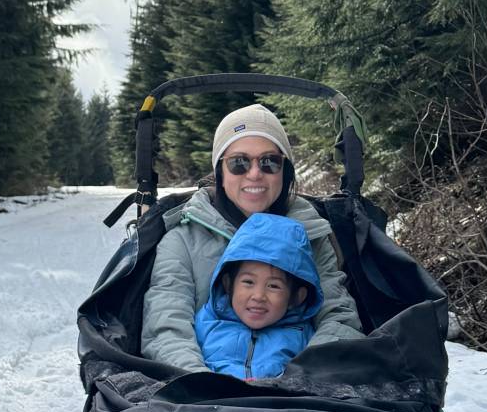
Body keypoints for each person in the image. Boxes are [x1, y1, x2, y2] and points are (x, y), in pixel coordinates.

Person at [141, 101, 364, 371]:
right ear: (220, 172)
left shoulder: (311, 234)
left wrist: (302, 381)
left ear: (286, 171)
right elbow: (166, 328)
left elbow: (338, 318)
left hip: (295, 394)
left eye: (270, 162)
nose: (255, 173)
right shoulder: (183, 241)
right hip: (203, 393)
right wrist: (203, 387)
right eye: (239, 163)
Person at [193, 212, 321, 379]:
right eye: (248, 282)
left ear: (297, 297)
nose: (259, 296)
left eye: (274, 286)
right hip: (216, 401)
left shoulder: (304, 336)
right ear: (228, 284)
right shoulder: (207, 323)